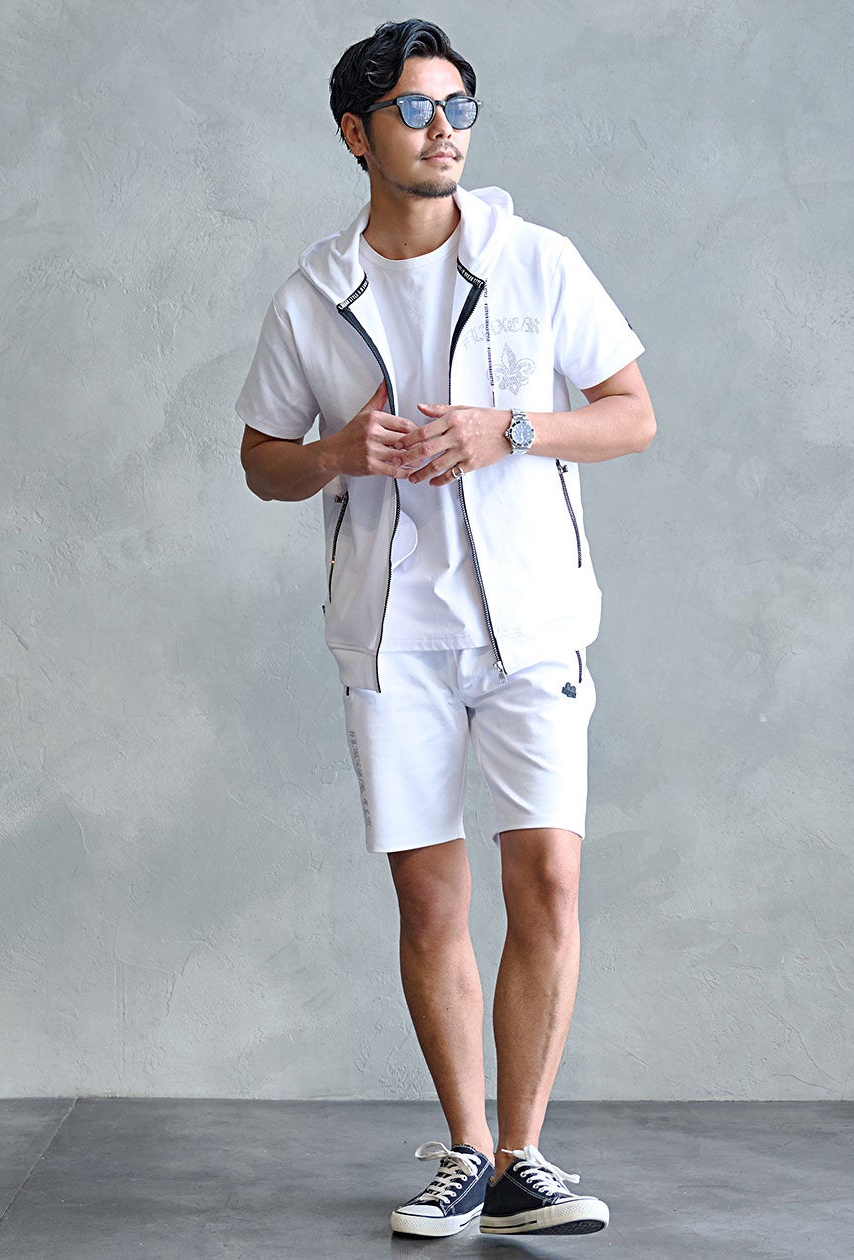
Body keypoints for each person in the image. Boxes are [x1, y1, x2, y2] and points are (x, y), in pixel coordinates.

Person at [234, 18, 656, 1239]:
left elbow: (630, 414)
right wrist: (334, 452)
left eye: (458, 108)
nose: (443, 132)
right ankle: (467, 1151)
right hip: (394, 637)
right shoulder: (316, 294)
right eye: (415, 110)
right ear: (356, 133)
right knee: (430, 903)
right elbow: (261, 462)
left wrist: (510, 430)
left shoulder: (537, 262)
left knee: (550, 880)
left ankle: (526, 1158)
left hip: (533, 627)